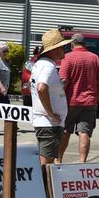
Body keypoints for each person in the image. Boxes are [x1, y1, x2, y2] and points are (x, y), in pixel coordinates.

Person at [59, 33, 99, 163]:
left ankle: (58, 160)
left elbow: (64, 81)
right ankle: (82, 162)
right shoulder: (94, 58)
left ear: (72, 44)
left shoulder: (67, 58)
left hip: (70, 101)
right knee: (84, 133)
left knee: (65, 131)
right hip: (89, 102)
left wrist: (57, 99)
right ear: (84, 43)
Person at [31, 29, 71, 166]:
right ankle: (42, 187)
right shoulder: (48, 66)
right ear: (54, 50)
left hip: (46, 123)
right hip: (49, 124)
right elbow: (41, 88)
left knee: (46, 162)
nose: (64, 50)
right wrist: (51, 114)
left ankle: (43, 186)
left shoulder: (40, 65)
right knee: (45, 165)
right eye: (62, 47)